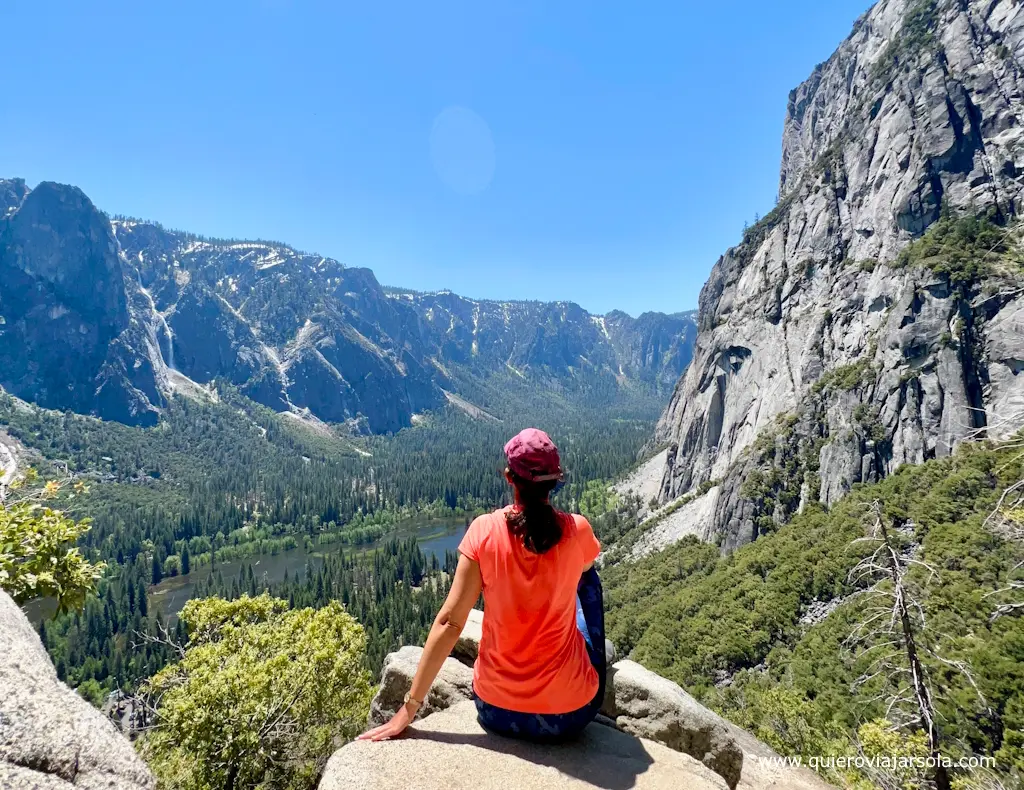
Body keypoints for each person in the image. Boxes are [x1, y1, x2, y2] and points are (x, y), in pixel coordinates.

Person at [358, 427, 607, 743]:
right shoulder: (578, 529)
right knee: (588, 579)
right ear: (556, 480)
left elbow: (450, 622)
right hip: (568, 715)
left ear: (509, 477)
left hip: (496, 710)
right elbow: (584, 571)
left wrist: (409, 708)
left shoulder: (483, 531)